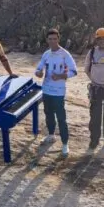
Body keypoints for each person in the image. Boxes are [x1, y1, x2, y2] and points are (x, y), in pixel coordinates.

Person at [34, 28, 77, 157]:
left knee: (61, 118)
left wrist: (61, 76)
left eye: (55, 39)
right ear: (47, 40)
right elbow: (39, 68)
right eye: (50, 39)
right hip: (46, 89)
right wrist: (39, 72)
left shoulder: (65, 54)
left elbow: (74, 71)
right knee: (48, 114)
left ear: (59, 39)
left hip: (58, 92)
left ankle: (65, 144)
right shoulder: (46, 54)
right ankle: (51, 135)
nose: (52, 41)